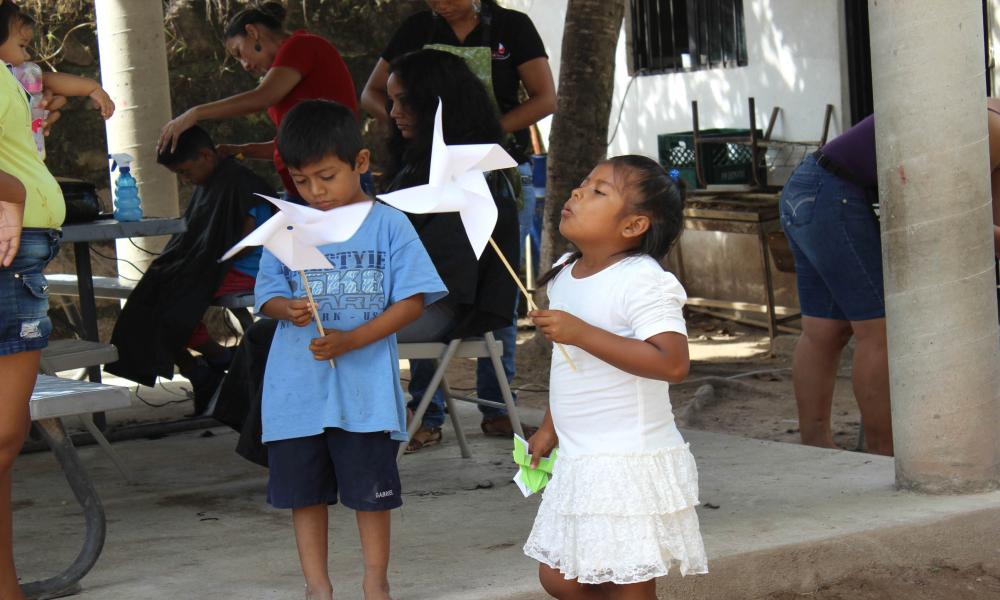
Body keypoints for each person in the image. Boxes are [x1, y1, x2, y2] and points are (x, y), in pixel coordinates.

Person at [256, 99, 446, 600]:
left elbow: (413, 300)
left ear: (360, 162)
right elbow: (266, 295)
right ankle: (317, 587)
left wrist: (355, 339)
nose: (315, 192)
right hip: (296, 393)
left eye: (326, 176)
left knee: (372, 497)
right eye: (301, 181)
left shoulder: (389, 225)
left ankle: (375, 582)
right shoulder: (286, 226)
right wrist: (286, 308)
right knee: (305, 495)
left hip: (364, 395)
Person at [362, 0, 556, 438]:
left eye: (403, 104)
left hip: (482, 167)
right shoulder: (415, 31)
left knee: (494, 293)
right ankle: (424, 415)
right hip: (426, 273)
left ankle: (494, 407)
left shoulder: (512, 26)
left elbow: (546, 98)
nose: (393, 113)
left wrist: (475, 136)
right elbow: (371, 93)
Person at [523, 156, 707, 599]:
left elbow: (672, 363)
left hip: (628, 455)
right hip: (582, 458)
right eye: (583, 184)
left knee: (626, 579)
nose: (577, 193)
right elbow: (570, 369)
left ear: (633, 225)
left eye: (598, 191)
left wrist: (581, 332)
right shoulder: (566, 271)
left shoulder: (642, 280)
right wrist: (549, 427)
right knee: (562, 576)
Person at [383, 49, 521, 451]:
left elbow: (442, 276)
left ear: (437, 102)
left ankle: (383, 422)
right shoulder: (416, 162)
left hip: (440, 306)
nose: (393, 112)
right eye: (391, 101)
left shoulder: (471, 176)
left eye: (403, 101)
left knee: (345, 330)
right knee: (288, 329)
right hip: (405, 297)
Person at [104, 126, 275, 412]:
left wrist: (204, 259)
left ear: (206, 155)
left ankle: (213, 363)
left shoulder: (243, 184)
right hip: (215, 264)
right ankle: (204, 367)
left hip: (247, 268)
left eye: (185, 171)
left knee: (175, 299)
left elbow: (247, 241)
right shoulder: (211, 182)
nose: (185, 181)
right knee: (148, 295)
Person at [0, 2, 70, 597]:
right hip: (10, 252)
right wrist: (15, 190)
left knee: (7, 435)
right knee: (2, 431)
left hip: (21, 257)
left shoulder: (7, 76)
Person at [158, 1, 357, 200]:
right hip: (303, 190)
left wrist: (196, 113)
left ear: (252, 32)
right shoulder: (287, 71)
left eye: (239, 53)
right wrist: (243, 150)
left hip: (331, 184)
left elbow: (262, 97)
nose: (244, 65)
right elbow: (288, 144)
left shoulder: (301, 45)